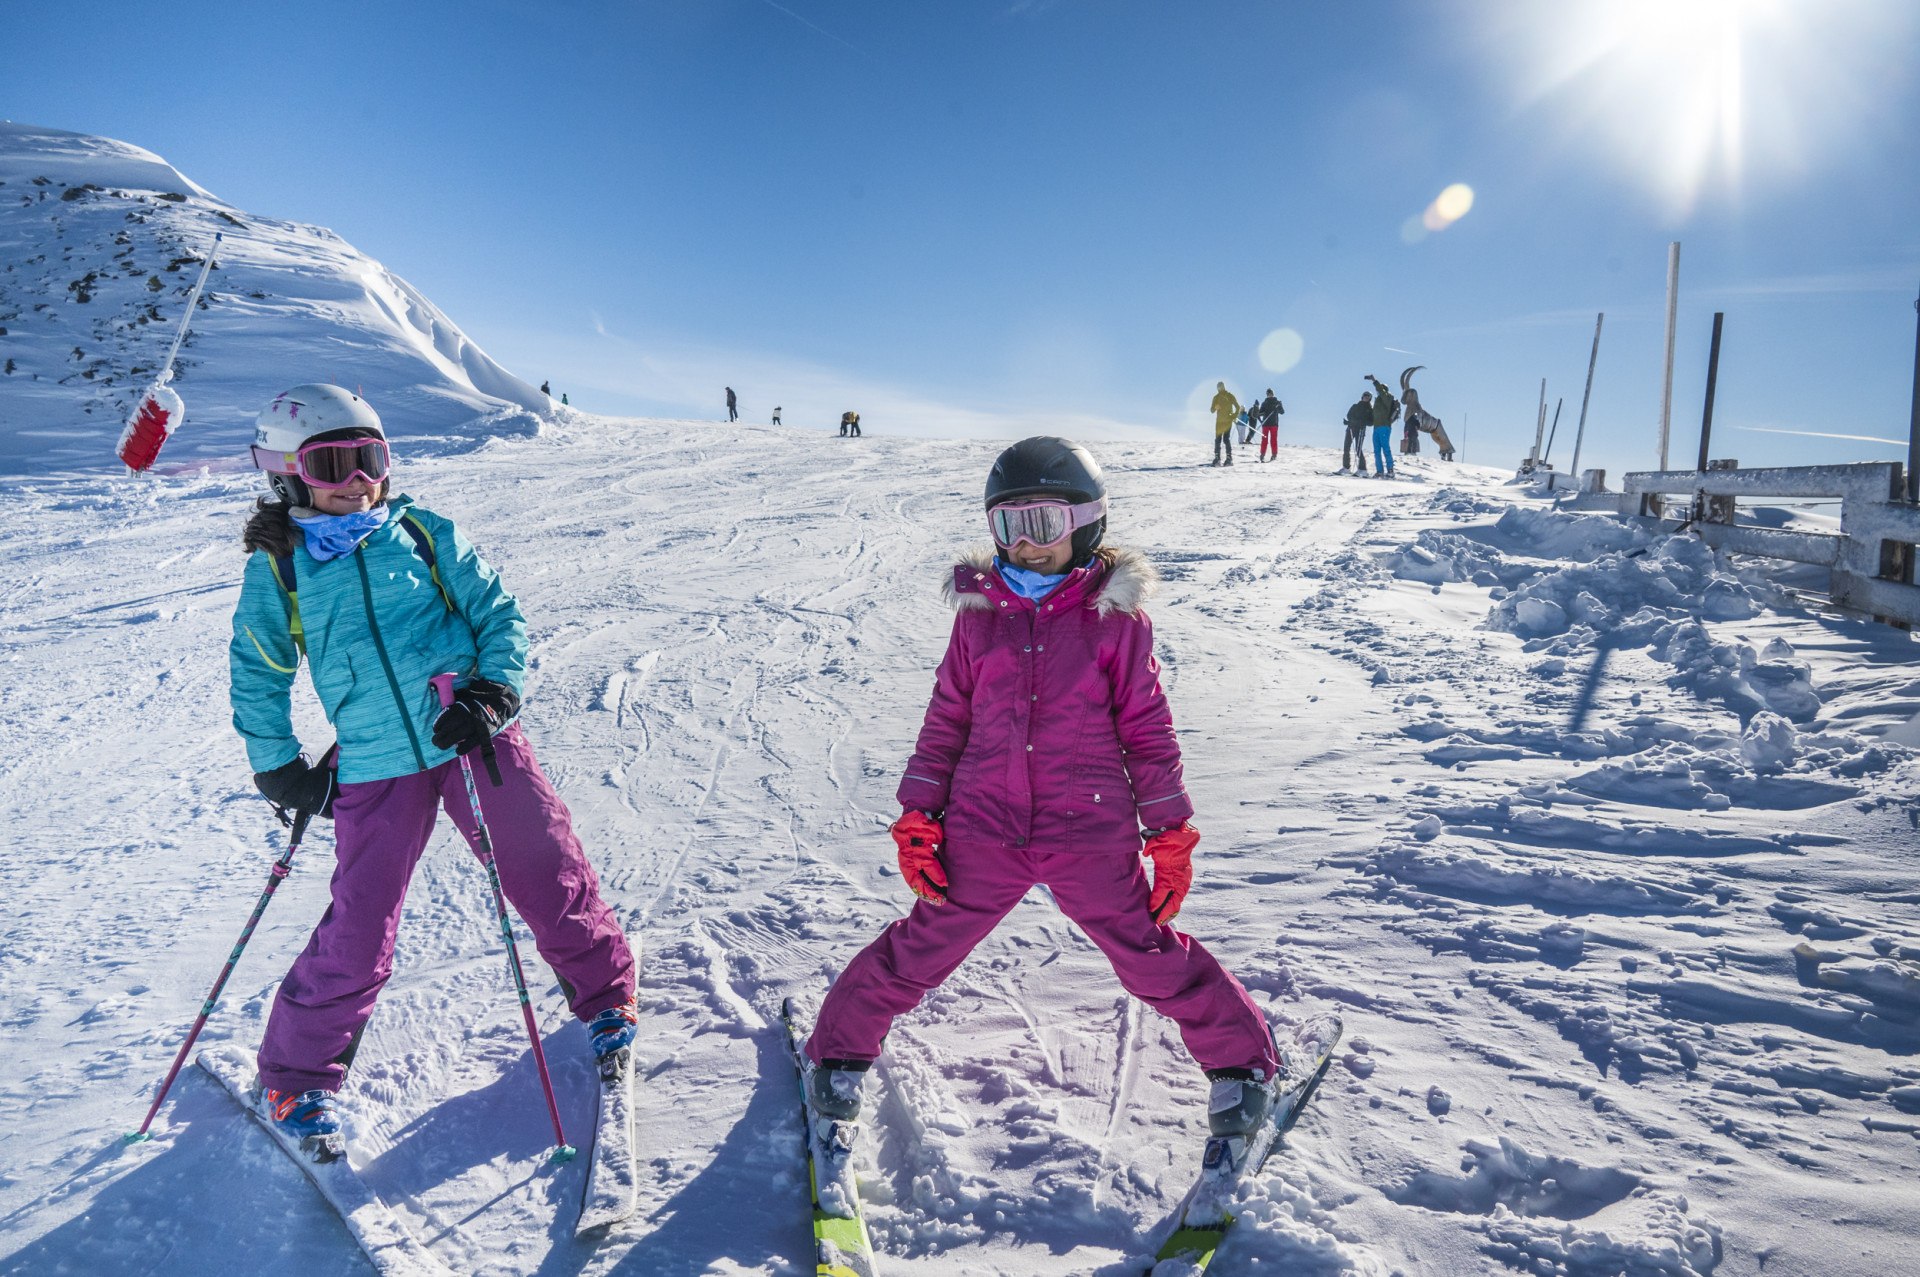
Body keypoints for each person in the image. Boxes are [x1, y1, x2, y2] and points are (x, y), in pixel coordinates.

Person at [801, 436, 1283, 1147]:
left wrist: (1169, 832)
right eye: (1008, 526)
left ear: (1086, 524)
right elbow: (947, 718)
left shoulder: (1116, 622)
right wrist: (919, 813)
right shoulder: (978, 617)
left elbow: (1147, 732)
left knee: (1150, 955)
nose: (1025, 545)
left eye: (1044, 524)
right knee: (921, 948)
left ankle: (1242, 1064)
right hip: (983, 827)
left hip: (1085, 830)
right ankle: (839, 1050)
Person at [230, 384, 639, 1161]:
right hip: (376, 760)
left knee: (542, 860)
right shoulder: (280, 570)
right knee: (361, 920)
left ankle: (605, 991)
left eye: (371, 458)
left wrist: (493, 691)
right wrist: (278, 764)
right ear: (288, 472)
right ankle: (296, 1072)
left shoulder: (418, 531)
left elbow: (498, 616)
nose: (358, 479)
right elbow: (258, 672)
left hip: (471, 735)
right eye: (334, 462)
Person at [1366, 375, 1398, 478]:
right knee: (1376, 450)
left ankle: (1390, 470)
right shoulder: (1378, 400)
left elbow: (1382, 392)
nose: (1378, 390)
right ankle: (1379, 471)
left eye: (1381, 388)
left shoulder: (1387, 397)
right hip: (1376, 427)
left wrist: (1374, 381)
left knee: (1385, 448)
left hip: (1384, 426)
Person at [1209, 382, 1239, 467]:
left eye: (1221, 387)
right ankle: (1220, 457)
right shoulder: (1217, 397)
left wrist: (1234, 415)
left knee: (1223, 439)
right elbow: (1211, 410)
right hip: (1221, 421)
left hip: (1226, 421)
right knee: (1222, 439)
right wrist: (1215, 407)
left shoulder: (1229, 396)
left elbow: (1237, 407)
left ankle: (1225, 458)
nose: (1220, 389)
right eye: (1219, 388)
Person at [1341, 393, 1372, 473]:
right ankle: (1346, 467)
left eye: (1367, 397)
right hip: (1351, 429)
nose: (1365, 398)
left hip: (1360, 430)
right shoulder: (1356, 406)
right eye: (1364, 396)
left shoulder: (1369, 409)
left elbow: (1371, 422)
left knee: (1358, 449)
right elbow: (1349, 415)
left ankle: (1362, 469)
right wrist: (1349, 422)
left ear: (1369, 399)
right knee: (1346, 448)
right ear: (1362, 397)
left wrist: (1362, 422)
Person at [1257, 389, 1283, 462]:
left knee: (1273, 440)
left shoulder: (1277, 402)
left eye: (1271, 394)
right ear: (1267, 395)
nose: (1270, 395)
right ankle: (1262, 454)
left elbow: (1282, 412)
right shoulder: (1264, 403)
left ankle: (1274, 454)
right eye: (1269, 394)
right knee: (1264, 440)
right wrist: (1262, 417)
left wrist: (1279, 407)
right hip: (1266, 424)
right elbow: (1260, 413)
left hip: (1274, 423)